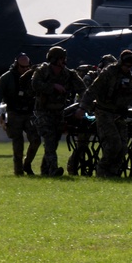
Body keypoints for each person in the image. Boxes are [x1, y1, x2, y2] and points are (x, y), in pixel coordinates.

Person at [31, 46, 86, 177]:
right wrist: (52, 86)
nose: (64, 61)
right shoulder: (42, 71)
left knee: (54, 142)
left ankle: (45, 171)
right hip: (43, 112)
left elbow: (83, 90)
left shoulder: (69, 74)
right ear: (54, 59)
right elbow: (34, 85)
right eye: (61, 58)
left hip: (59, 112)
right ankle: (54, 170)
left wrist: (82, 106)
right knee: (49, 140)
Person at [82, 50, 132, 177]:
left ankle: (113, 171)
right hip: (104, 112)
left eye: (131, 66)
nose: (128, 68)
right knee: (114, 144)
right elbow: (93, 90)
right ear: (121, 62)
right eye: (127, 65)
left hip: (119, 113)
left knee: (123, 147)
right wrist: (83, 107)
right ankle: (102, 170)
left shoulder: (128, 76)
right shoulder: (108, 73)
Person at [0, 54, 42, 176]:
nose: (25, 69)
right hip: (14, 113)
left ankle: (27, 164)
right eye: (22, 67)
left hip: (29, 113)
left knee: (36, 140)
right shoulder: (7, 78)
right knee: (17, 144)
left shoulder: (33, 77)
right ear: (16, 65)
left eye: (27, 67)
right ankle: (18, 171)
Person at [67, 54, 117, 176]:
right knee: (82, 143)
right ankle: (73, 167)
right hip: (86, 112)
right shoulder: (90, 78)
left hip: (102, 112)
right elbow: (85, 96)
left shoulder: (112, 79)